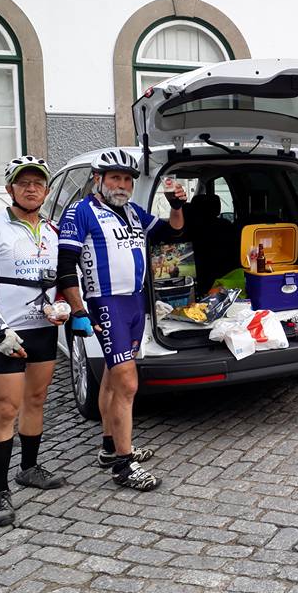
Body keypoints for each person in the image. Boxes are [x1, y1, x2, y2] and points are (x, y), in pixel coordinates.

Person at [56, 149, 188, 490]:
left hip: (134, 302)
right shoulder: (81, 211)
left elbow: (172, 233)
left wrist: (176, 205)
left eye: (128, 179)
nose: (123, 185)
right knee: (128, 383)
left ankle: (110, 447)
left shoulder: (132, 212)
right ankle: (124, 466)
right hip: (106, 302)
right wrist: (78, 310)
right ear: (98, 179)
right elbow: (65, 266)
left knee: (112, 379)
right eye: (115, 177)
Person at [0, 155, 68, 527]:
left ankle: (29, 468)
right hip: (8, 333)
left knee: (36, 400)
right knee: (7, 409)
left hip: (43, 330)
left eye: (38, 183)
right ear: (10, 188)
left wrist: (61, 306)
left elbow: (60, 279)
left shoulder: (53, 231)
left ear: (47, 190)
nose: (31, 188)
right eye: (24, 183)